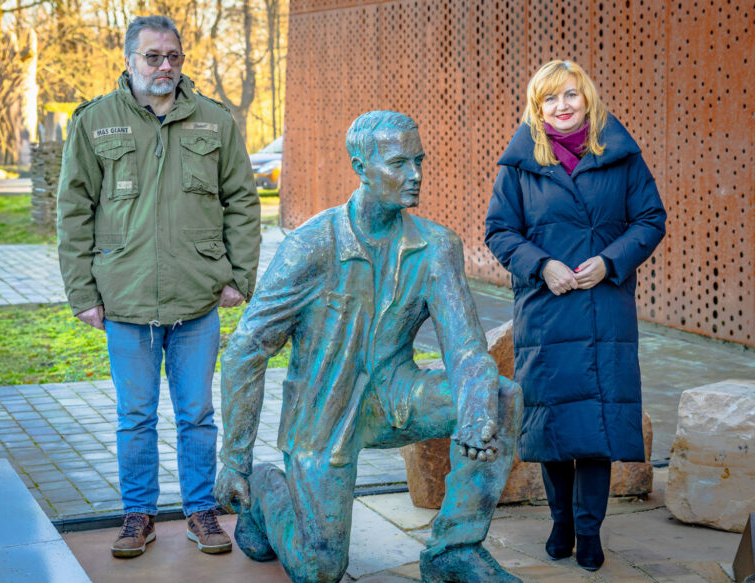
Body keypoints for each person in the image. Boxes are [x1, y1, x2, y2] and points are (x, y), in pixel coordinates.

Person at [214, 111, 523, 583]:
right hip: (323, 413)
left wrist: (476, 410)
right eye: (398, 163)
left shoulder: (436, 247)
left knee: (498, 397)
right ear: (360, 167)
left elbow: (464, 349)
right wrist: (235, 459)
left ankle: (453, 549)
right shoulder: (311, 246)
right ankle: (265, 490)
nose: (415, 174)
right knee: (320, 569)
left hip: (395, 396)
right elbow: (246, 350)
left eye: (418, 161)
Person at [56, 15, 261, 558]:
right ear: (129, 61)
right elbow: (73, 210)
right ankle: (138, 515)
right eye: (153, 56)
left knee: (197, 416)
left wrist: (239, 276)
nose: (165, 66)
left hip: (197, 299)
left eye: (173, 56)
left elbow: (243, 201)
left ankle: (201, 511)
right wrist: (83, 294)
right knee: (135, 418)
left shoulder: (215, 121)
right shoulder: (95, 122)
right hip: (125, 299)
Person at [484, 60, 666, 571]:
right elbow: (499, 230)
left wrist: (610, 261)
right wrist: (542, 265)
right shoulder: (520, 164)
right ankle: (560, 522)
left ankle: (589, 532)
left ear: (587, 98)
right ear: (537, 107)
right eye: (550, 98)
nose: (561, 106)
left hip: (603, 309)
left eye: (570, 94)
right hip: (546, 312)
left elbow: (650, 218)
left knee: (596, 427)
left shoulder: (620, 155)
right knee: (554, 424)